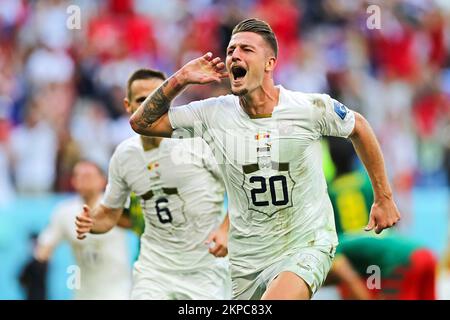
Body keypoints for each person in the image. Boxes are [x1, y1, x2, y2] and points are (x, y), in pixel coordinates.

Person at [128, 18, 401, 300]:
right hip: (247, 258)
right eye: (231, 49)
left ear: (269, 63)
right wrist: (181, 78)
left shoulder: (308, 108)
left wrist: (383, 197)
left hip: (305, 243)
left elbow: (359, 127)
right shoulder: (211, 114)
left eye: (246, 49)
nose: (234, 54)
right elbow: (142, 123)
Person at [75, 68, 231, 300]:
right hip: (154, 271)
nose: (151, 107)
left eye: (157, 98)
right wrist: (92, 222)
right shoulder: (124, 156)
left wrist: (226, 229)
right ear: (127, 105)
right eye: (142, 100)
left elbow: (242, 188)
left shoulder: (197, 143)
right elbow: (109, 213)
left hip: (205, 270)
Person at [324, 137, 437, 300]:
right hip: (397, 246)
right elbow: (386, 213)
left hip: (388, 262)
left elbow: (348, 277)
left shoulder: (329, 191)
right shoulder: (366, 181)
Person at [35, 160, 132, 300]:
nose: (82, 179)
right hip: (84, 293)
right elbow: (45, 246)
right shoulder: (65, 212)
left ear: (103, 180)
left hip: (119, 292)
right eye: (77, 176)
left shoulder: (117, 206)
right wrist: (38, 261)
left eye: (88, 175)